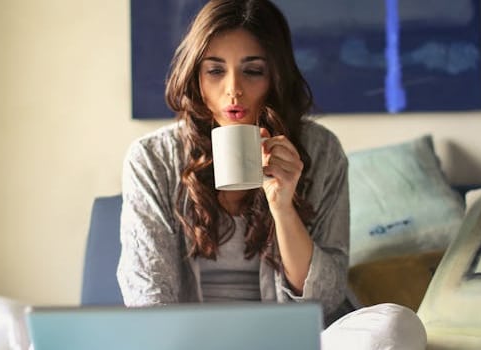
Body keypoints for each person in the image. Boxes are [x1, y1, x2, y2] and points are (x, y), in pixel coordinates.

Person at [116, 0, 350, 323]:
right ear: (195, 76)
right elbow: (147, 298)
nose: (234, 90)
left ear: (276, 77)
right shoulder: (152, 160)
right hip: (188, 339)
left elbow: (327, 299)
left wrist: (283, 208)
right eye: (215, 70)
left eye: (253, 71)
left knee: (394, 324)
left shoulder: (321, 151)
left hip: (288, 337)